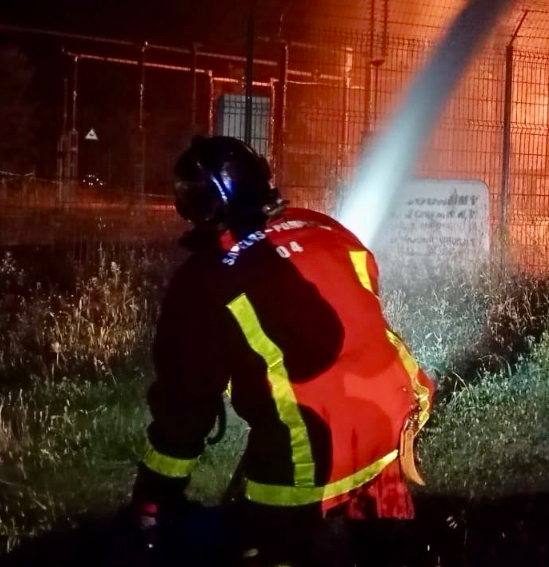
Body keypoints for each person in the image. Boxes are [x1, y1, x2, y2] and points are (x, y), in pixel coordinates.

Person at [128, 135, 434, 566]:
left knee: (274, 546)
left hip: (308, 450)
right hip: (393, 413)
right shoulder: (325, 227)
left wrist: (154, 497)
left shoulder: (204, 281)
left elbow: (186, 405)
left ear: (195, 205)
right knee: (387, 546)